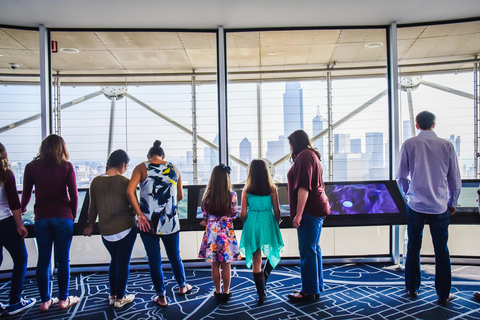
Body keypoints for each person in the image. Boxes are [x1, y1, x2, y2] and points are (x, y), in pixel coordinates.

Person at [397, 111, 462, 305]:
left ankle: (412, 289)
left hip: (415, 205)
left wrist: (409, 195)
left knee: (413, 247)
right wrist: (452, 203)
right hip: (439, 205)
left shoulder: (409, 144)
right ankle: (443, 294)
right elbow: (454, 180)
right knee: (441, 250)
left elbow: (401, 177)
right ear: (434, 124)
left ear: (417, 125)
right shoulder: (447, 146)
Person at [126, 140, 192, 307]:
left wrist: (139, 214)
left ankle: (161, 297)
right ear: (163, 156)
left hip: (148, 222)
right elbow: (180, 196)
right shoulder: (174, 168)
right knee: (174, 255)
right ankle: (182, 286)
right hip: (170, 221)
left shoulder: (141, 167)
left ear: (148, 156)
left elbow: (129, 191)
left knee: (154, 260)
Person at [21, 134, 80, 311]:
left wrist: (22, 210)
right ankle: (63, 300)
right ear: (62, 148)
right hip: (63, 217)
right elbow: (74, 194)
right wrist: (73, 214)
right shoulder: (67, 167)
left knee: (43, 261)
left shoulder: (31, 167)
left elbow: (26, 194)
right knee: (63, 261)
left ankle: (45, 301)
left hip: (41, 218)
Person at [83, 150, 147, 308]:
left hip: (107, 232)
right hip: (126, 228)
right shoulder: (125, 182)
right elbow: (135, 205)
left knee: (114, 260)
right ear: (124, 164)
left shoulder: (95, 182)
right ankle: (120, 297)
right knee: (123, 262)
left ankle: (112, 294)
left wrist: (91, 225)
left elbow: (93, 208)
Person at [286, 130, 330, 303]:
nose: (289, 146)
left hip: (310, 209)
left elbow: (304, 188)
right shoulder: (312, 155)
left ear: (296, 142)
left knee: (307, 250)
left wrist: (298, 215)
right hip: (317, 207)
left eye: (290, 143)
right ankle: (314, 287)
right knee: (313, 249)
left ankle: (309, 291)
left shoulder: (304, 156)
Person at [239, 159, 283, 305]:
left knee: (256, 259)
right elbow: (277, 211)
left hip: (252, 223)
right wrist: (277, 221)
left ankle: (261, 293)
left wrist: (247, 223)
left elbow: (242, 214)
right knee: (274, 251)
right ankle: (265, 275)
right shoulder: (272, 189)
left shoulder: (246, 190)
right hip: (268, 222)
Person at [0, 143, 36, 315]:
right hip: (5, 222)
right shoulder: (6, 174)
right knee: (21, 259)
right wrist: (20, 225)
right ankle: (15, 301)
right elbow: (14, 204)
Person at [198, 164, 240, 303]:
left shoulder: (207, 196)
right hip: (226, 232)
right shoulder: (232, 195)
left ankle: (217, 291)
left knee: (215, 264)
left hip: (212, 232)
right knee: (226, 264)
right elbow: (234, 214)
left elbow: (205, 215)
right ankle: (226, 292)